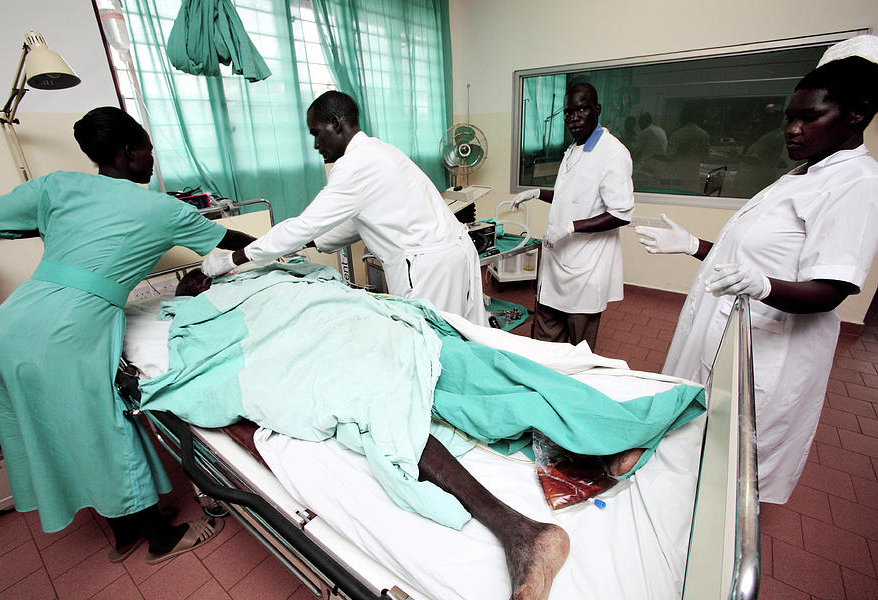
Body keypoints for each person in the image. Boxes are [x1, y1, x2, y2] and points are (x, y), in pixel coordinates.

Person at [160, 264, 705, 600]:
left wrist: (248, 266)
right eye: (195, 282)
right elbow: (217, 375)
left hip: (367, 322)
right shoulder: (200, 313)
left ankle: (606, 440)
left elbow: (329, 286)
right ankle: (544, 504)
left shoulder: (273, 274)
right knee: (395, 404)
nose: (201, 282)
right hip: (331, 347)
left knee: (475, 368)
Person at [0, 107, 258, 563]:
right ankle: (160, 539)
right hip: (64, 332)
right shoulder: (160, 207)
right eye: (148, 150)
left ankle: (124, 531)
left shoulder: (58, 186)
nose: (152, 158)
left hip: (8, 328)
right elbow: (231, 240)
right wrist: (286, 243)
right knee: (105, 429)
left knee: (59, 434)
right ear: (130, 153)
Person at [635, 55, 878, 504]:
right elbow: (746, 255)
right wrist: (695, 246)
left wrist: (764, 286)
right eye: (789, 118)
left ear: (856, 114)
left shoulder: (856, 183)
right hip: (725, 332)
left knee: (734, 473)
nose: (791, 129)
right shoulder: (802, 174)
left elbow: (832, 290)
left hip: (769, 349)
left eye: (809, 117)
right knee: (698, 448)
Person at [201, 90, 487, 325]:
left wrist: (231, 260)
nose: (315, 145)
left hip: (429, 267)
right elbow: (359, 222)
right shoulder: (380, 150)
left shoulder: (353, 166)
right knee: (468, 339)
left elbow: (304, 224)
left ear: (336, 124)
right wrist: (305, 243)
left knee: (431, 345)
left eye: (316, 132)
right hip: (456, 252)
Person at [510, 82, 634, 350]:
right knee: (545, 342)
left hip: (585, 269)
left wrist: (571, 227)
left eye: (581, 110)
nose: (573, 118)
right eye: (568, 112)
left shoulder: (612, 153)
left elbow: (621, 214)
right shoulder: (574, 148)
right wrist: (536, 193)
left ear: (597, 110)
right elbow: (571, 196)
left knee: (579, 349)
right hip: (555, 263)